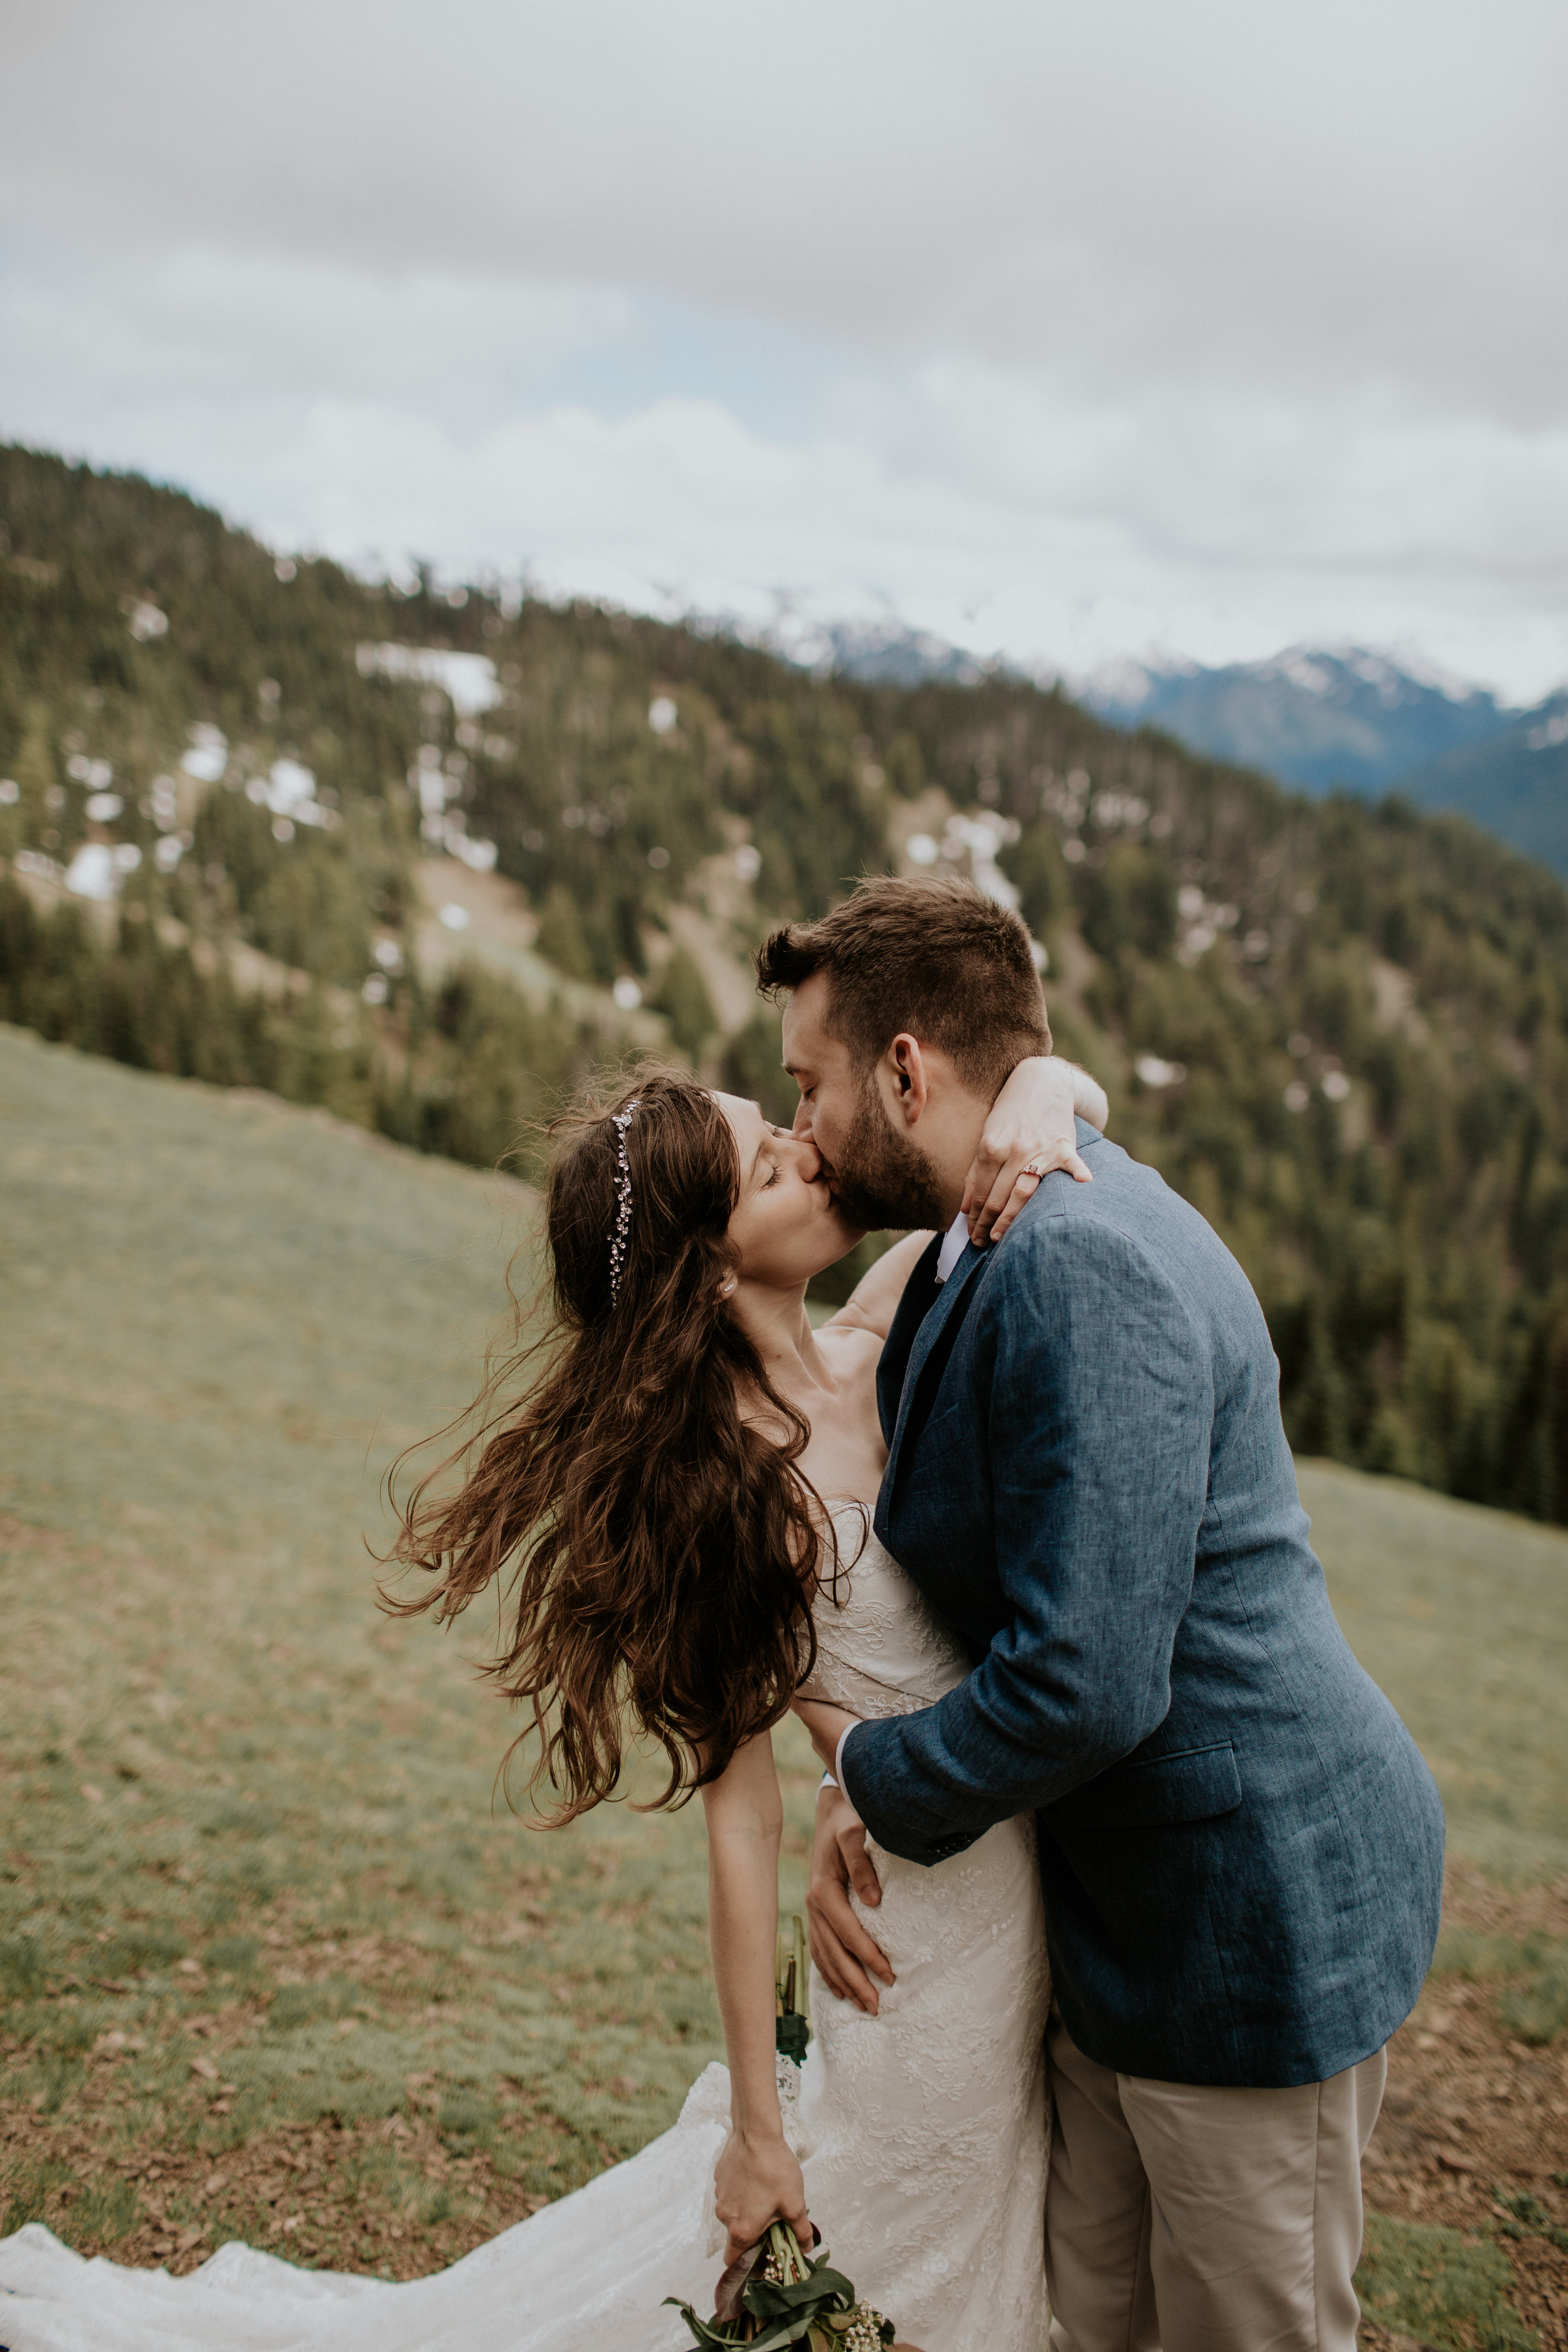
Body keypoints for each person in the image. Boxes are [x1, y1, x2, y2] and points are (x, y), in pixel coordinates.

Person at [0, 1030, 1106, 2352]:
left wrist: (1040, 1085)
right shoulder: (734, 1499)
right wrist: (759, 2129)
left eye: (779, 1129)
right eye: (770, 1167)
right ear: (706, 1267)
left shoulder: (890, 1322)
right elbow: (735, 1815)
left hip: (1015, 1906)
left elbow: (1059, 1120)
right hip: (910, 1960)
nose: (811, 1154)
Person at [771, 876, 1447, 2352]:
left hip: (1242, 1912)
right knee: (1093, 2319)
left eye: (807, 1084)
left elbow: (1084, 1682)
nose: (799, 1127)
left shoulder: (1079, 1264)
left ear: (905, 1071)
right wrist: (1048, 1086)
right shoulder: (970, 1229)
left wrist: (860, 1786)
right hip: (1104, 1928)